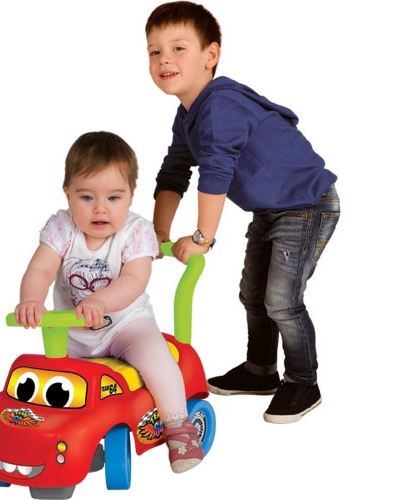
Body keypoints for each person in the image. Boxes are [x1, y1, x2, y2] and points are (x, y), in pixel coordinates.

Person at [145, 2, 340, 424]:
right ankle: (260, 371)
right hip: (270, 209)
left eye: (178, 49)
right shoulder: (188, 114)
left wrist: (202, 238)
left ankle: (304, 382)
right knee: (253, 294)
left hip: (306, 204)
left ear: (210, 55)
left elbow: (216, 171)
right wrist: (159, 232)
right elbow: (175, 171)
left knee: (282, 301)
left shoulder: (220, 105)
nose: (164, 60)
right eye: (154, 51)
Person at [14, 131, 204, 472]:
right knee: (56, 391)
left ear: (131, 195)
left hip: (127, 327)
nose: (100, 208)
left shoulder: (136, 231)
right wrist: (31, 299)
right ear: (67, 193)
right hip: (72, 335)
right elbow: (40, 269)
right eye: (86, 196)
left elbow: (134, 280)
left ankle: (179, 426)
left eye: (114, 197)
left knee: (157, 361)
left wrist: (101, 300)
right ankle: (67, 439)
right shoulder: (62, 227)